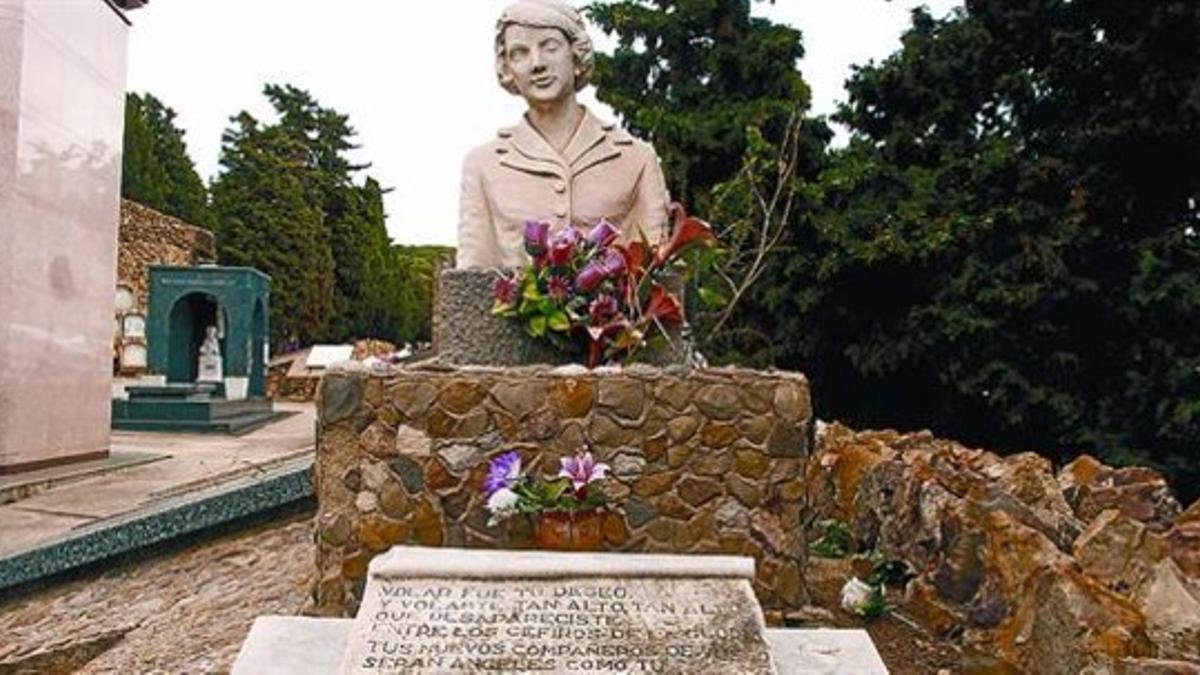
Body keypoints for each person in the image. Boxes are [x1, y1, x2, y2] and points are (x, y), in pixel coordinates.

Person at [456, 0, 671, 269]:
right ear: (508, 68)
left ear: (576, 54)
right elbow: (470, 279)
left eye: (550, 47)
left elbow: (657, 273)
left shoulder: (637, 159)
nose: (537, 64)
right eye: (519, 53)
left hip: (619, 311)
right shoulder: (482, 164)